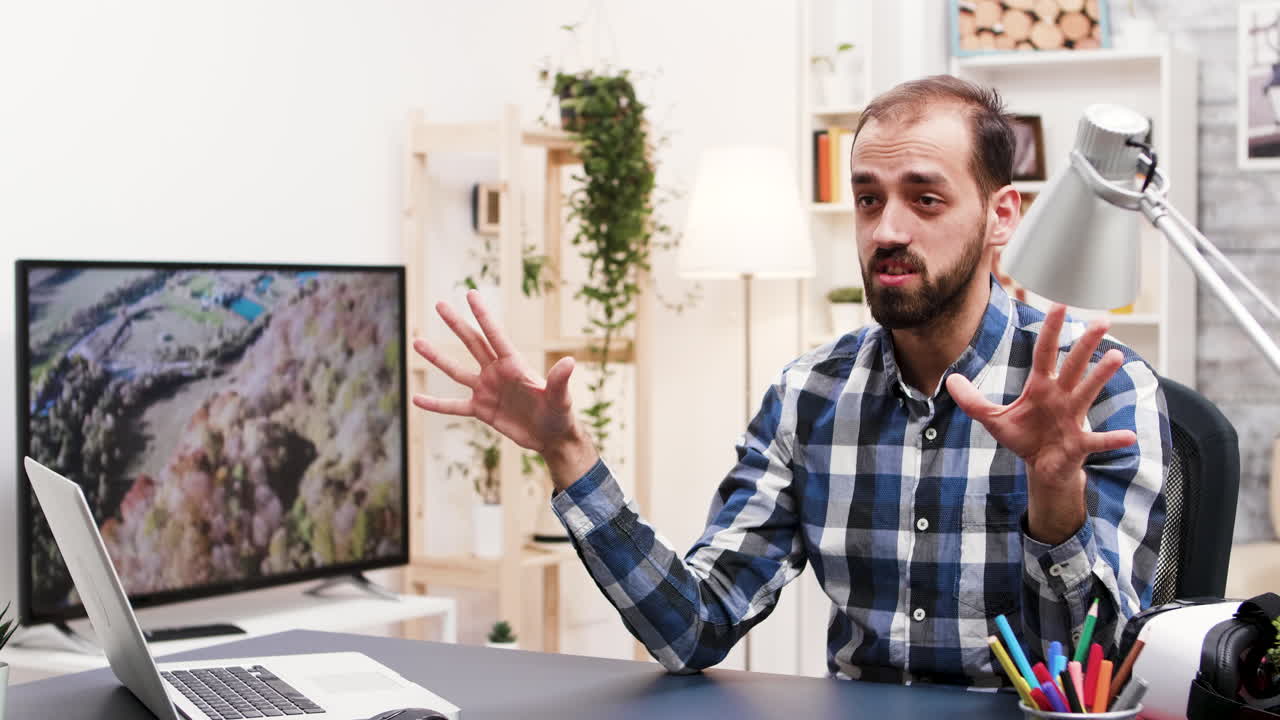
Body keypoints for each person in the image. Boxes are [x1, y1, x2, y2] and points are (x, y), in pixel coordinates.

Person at [410, 75, 1168, 687]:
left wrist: (1053, 492)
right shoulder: (811, 397)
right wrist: (567, 452)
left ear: (1002, 214)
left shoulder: (1101, 391)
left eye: (925, 198)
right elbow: (693, 628)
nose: (887, 230)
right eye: (869, 198)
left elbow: (1093, 676)